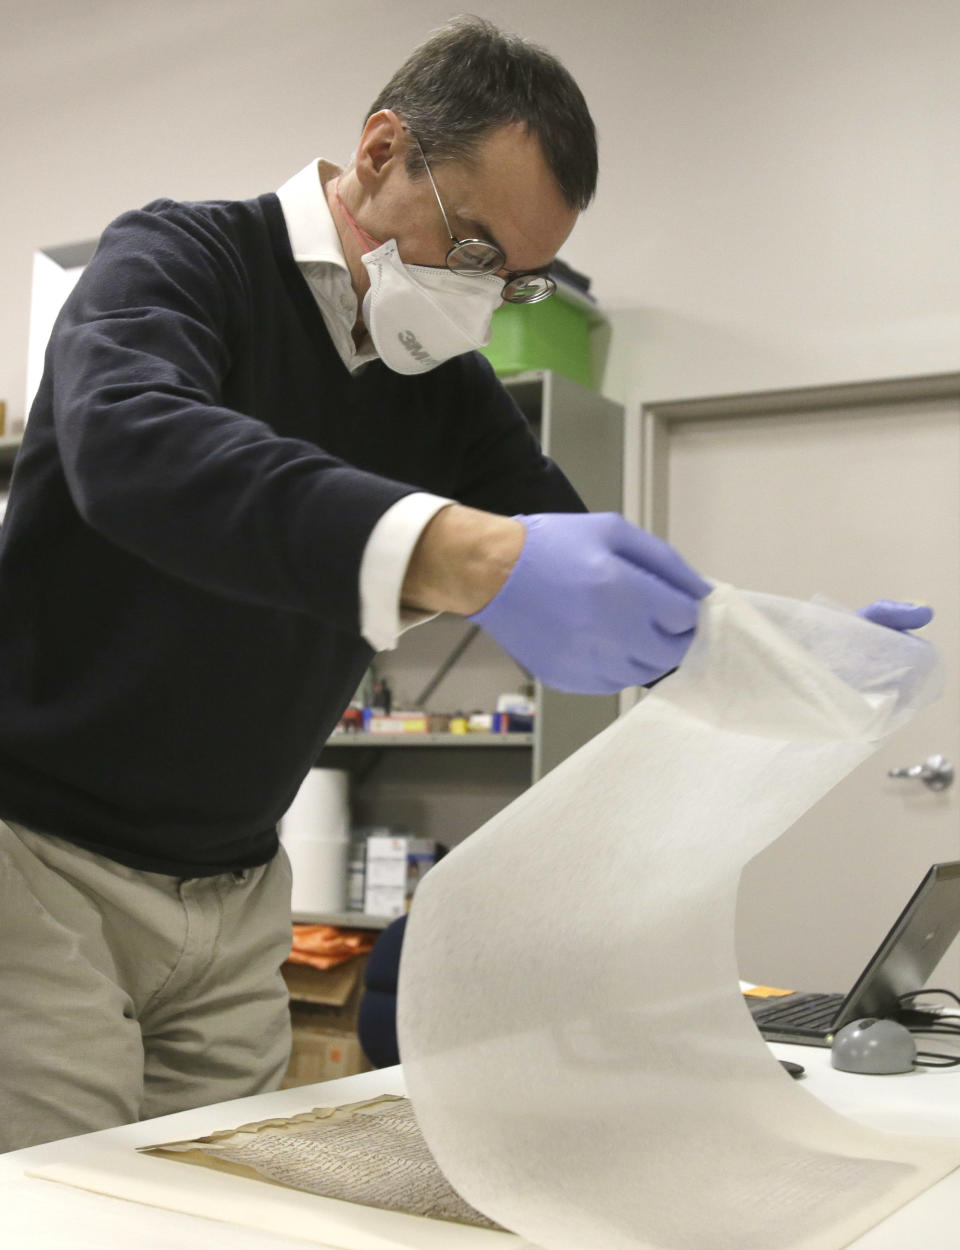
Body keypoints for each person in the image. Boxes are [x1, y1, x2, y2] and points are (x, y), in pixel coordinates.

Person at [0, 17, 929, 1153]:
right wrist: (466, 554)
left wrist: (774, 642)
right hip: (36, 858)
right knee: (53, 1201)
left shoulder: (437, 382)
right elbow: (133, 446)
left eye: (520, 277)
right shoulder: (180, 256)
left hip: (238, 886)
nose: (484, 298)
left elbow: (583, 555)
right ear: (382, 151)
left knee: (207, 1201)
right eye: (476, 247)